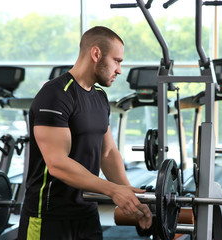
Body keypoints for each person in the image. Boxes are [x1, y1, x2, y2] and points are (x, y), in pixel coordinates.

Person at [18, 26, 152, 240]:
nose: (119, 70)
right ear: (96, 54)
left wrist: (131, 198)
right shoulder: (55, 95)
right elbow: (57, 164)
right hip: (48, 218)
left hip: (87, 216)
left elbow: (107, 153)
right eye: (116, 61)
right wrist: (112, 190)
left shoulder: (99, 97)